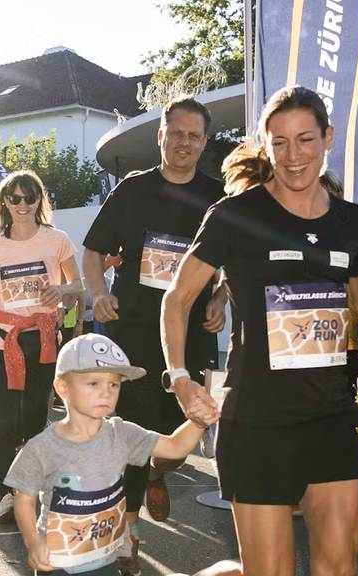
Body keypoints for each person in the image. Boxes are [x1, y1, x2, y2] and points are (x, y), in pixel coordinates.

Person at [162, 85, 358, 576]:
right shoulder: (235, 216)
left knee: (339, 569)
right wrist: (178, 376)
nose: (293, 155)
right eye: (279, 142)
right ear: (265, 147)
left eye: (305, 139)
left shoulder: (354, 222)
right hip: (257, 426)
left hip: (330, 420)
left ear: (327, 138)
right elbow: (176, 299)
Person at [81, 96, 226, 575]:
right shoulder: (132, 191)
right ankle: (128, 532)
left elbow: (232, 262)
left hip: (192, 333)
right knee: (136, 427)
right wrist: (99, 292)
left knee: (180, 427)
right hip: (138, 329)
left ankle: (163, 470)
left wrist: (221, 298)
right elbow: (93, 252)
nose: (183, 142)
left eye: (193, 136)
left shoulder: (218, 195)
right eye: (176, 133)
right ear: (160, 136)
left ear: (203, 142)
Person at [5, 334, 218, 576]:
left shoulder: (121, 433)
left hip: (107, 559)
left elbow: (174, 446)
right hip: (58, 565)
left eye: (113, 384)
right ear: (62, 387)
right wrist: (34, 543)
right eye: (93, 383)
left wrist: (198, 422)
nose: (106, 392)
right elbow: (23, 499)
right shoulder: (42, 447)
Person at [0, 170, 83, 523]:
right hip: (2, 338)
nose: (23, 205)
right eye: (15, 198)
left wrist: (62, 292)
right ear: (3, 203)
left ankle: (34, 488)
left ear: (40, 201)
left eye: (30, 198)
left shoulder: (57, 240)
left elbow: (77, 285)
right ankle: (9, 496)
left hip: (40, 338)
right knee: (7, 420)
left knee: (35, 420)